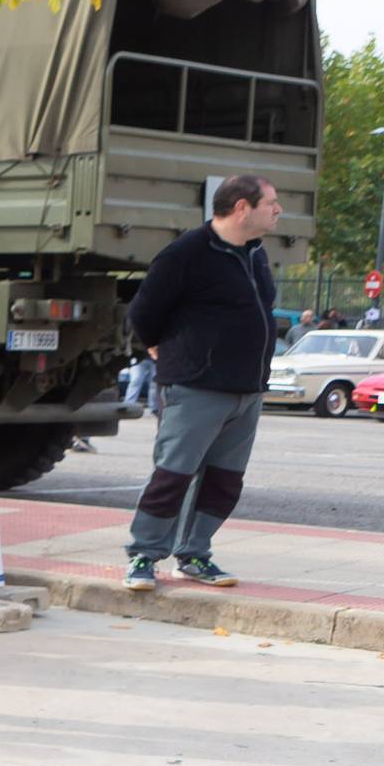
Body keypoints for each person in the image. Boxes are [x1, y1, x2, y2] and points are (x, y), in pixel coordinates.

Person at [121, 175, 279, 592]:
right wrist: (157, 346)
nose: (278, 210)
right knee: (174, 475)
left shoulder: (256, 255)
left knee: (225, 480)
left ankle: (194, 554)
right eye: (271, 203)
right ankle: (143, 555)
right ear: (242, 207)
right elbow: (143, 312)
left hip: (247, 390)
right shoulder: (186, 253)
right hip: (196, 386)